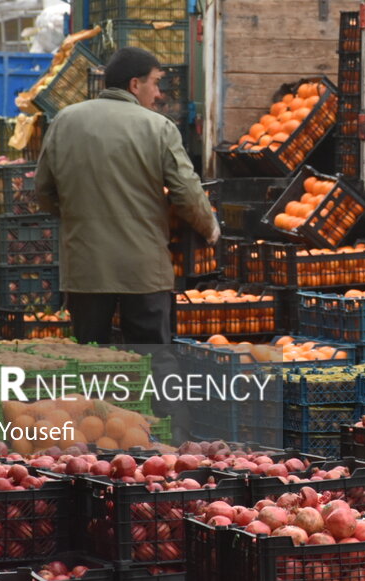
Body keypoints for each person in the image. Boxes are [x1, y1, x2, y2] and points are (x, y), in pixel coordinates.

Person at [35, 47, 219, 439]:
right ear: (134, 84)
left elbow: (43, 192)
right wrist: (210, 228)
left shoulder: (65, 121)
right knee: (156, 357)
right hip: (143, 268)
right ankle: (173, 437)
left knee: (90, 358)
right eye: (155, 83)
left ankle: (92, 439)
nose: (159, 93)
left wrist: (78, 219)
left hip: (85, 267)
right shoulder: (157, 127)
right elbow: (187, 194)